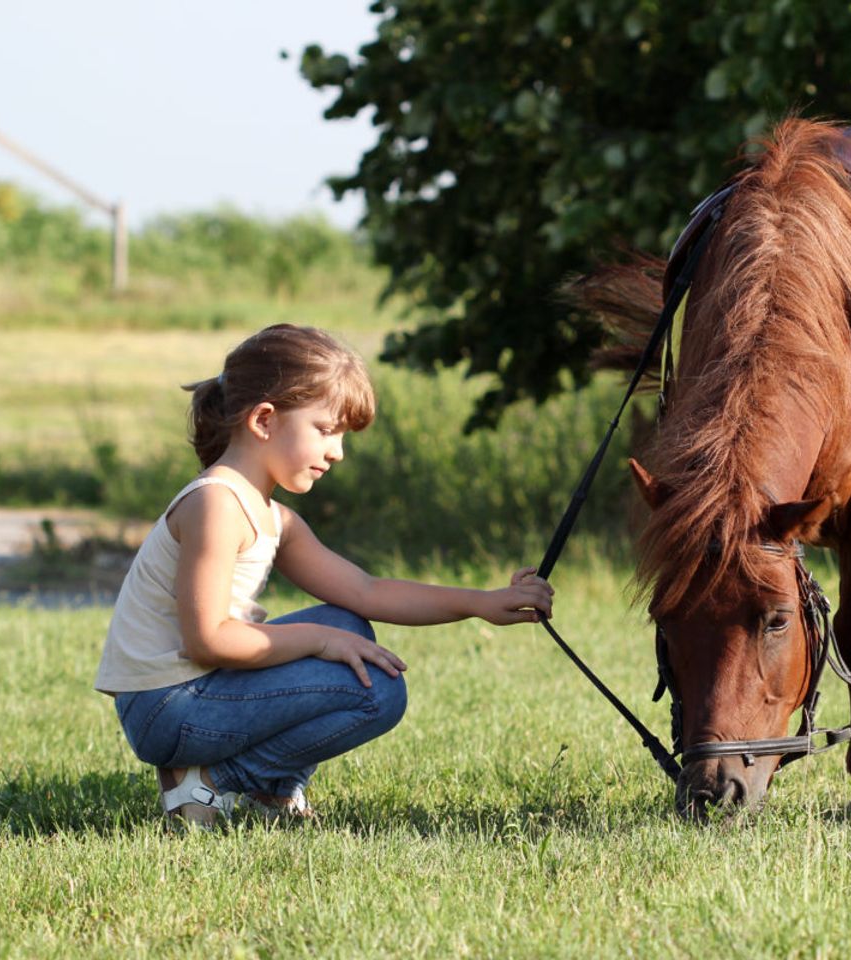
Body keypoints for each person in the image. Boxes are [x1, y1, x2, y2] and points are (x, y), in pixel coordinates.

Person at [95, 324, 553, 827]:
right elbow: (207, 641)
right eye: (326, 430)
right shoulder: (216, 504)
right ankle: (212, 785)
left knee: (350, 622)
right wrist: (318, 640)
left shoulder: (271, 516)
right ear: (265, 420)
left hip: (196, 695)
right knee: (375, 690)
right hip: (166, 706)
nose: (337, 451)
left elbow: (366, 591)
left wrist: (479, 602)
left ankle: (269, 793)